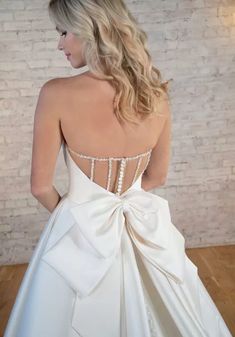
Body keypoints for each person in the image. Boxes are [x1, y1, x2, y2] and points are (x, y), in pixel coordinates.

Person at [3, 1, 232, 336]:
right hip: (143, 229)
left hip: (83, 233)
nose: (59, 44)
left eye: (64, 31)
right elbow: (158, 176)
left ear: (89, 29)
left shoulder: (56, 93)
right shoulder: (156, 95)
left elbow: (40, 187)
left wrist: (80, 220)